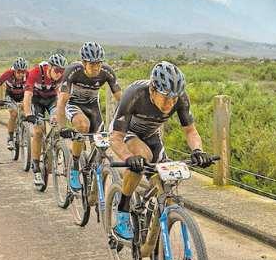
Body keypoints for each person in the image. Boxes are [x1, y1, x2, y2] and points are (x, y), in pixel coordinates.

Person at [109, 61, 212, 240]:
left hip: (151, 135)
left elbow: (190, 131)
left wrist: (198, 151)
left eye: (174, 98)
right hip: (127, 132)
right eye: (166, 97)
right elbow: (115, 138)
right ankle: (123, 211)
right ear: (152, 90)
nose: (170, 103)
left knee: (168, 181)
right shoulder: (135, 94)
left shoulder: (180, 98)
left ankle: (155, 230)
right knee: (142, 157)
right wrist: (128, 157)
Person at [56, 42, 121, 190]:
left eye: (99, 63)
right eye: (92, 64)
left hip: (93, 107)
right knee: (83, 125)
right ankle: (74, 167)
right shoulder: (73, 71)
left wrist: (122, 126)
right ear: (84, 63)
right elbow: (61, 102)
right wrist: (62, 127)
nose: (96, 67)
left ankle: (94, 179)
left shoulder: (107, 72)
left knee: (100, 145)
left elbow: (121, 100)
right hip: (73, 104)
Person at [23, 54, 67, 186]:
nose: (59, 74)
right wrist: (28, 114)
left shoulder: (62, 76)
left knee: (57, 122)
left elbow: (62, 96)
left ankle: (56, 147)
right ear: (49, 67)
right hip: (36, 101)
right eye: (57, 70)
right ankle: (36, 167)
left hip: (51, 100)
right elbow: (27, 96)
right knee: (38, 131)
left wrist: (59, 115)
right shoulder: (36, 73)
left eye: (62, 71)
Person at [0, 57, 29, 150]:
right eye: (19, 72)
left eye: (23, 72)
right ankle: (10, 138)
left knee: (26, 112)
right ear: (14, 70)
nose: (21, 74)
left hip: (23, 95)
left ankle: (25, 132)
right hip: (10, 95)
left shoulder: (28, 75)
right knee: (13, 114)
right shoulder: (8, 73)